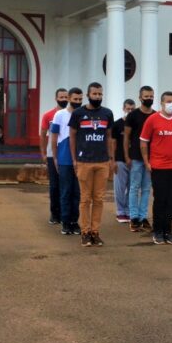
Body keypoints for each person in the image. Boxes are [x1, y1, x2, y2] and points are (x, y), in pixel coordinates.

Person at [139, 91, 172, 245]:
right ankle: (157, 231)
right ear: (161, 103)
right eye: (168, 101)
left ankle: (168, 231)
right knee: (160, 199)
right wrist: (146, 162)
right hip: (158, 166)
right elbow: (143, 142)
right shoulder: (152, 120)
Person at [69, 82, 115, 247]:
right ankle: (85, 232)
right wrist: (74, 159)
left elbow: (109, 137)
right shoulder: (78, 113)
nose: (97, 97)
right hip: (84, 162)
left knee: (99, 199)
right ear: (88, 95)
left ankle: (95, 232)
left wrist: (111, 158)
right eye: (94, 94)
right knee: (85, 199)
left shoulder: (107, 113)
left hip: (102, 161)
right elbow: (72, 136)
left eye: (100, 94)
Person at [51, 88, 83, 235]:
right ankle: (65, 222)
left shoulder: (82, 114)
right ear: (69, 98)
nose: (78, 102)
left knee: (77, 192)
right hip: (64, 158)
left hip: (80, 159)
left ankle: (74, 221)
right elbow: (54, 137)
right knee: (65, 191)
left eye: (80, 99)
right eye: (75, 99)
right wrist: (55, 157)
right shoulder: (59, 115)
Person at [124, 86, 155, 232]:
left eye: (151, 96)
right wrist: (126, 156)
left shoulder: (155, 115)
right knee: (134, 187)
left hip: (151, 158)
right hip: (135, 157)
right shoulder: (133, 115)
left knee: (147, 188)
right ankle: (134, 217)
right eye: (146, 96)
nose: (149, 99)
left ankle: (143, 217)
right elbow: (126, 137)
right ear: (140, 97)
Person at [39, 88, 70, 225]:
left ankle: (65, 214)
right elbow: (43, 135)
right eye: (61, 97)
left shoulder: (71, 114)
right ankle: (55, 214)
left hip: (66, 155)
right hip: (52, 155)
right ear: (56, 98)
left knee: (67, 186)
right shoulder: (48, 115)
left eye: (65, 97)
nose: (63, 99)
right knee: (54, 185)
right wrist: (44, 153)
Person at [112, 99, 136, 223]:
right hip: (120, 160)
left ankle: (128, 210)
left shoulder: (137, 125)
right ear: (123, 109)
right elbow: (113, 143)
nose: (130, 111)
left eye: (132, 109)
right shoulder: (116, 125)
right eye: (128, 109)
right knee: (120, 188)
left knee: (132, 188)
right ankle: (120, 211)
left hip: (135, 161)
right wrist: (113, 160)